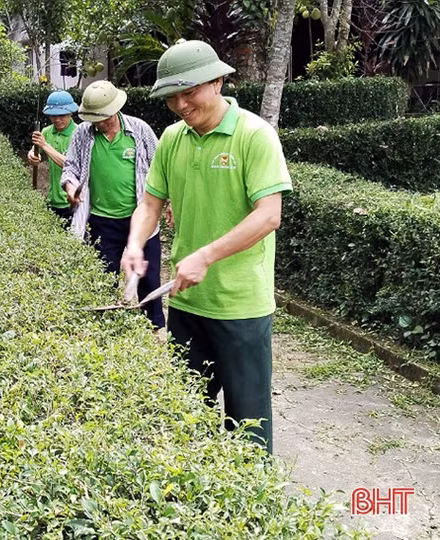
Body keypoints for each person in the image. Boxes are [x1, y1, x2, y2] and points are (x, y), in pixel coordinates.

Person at [121, 40, 293, 453]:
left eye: (190, 91)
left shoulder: (254, 135)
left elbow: (269, 215)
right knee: (183, 420)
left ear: (218, 81)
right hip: (186, 306)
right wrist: (134, 245)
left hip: (240, 308)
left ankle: (255, 511)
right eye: (171, 97)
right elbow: (149, 202)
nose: (180, 104)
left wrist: (206, 255)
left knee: (247, 428)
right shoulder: (171, 139)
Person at [60, 81, 165, 329]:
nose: (99, 124)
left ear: (115, 110)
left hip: (142, 219)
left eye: (103, 118)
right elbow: (70, 168)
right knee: (102, 278)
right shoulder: (82, 134)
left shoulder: (139, 131)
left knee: (148, 279)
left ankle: (155, 329)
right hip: (101, 221)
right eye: (94, 119)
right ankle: (106, 331)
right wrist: (70, 188)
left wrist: (167, 202)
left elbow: (161, 168)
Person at [27, 90, 78, 226]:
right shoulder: (46, 132)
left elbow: (70, 165)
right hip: (52, 200)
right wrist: (32, 156)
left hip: (72, 202)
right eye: (53, 116)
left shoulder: (78, 134)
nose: (57, 120)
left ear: (70, 113)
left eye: (61, 115)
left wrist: (44, 145)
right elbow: (33, 152)